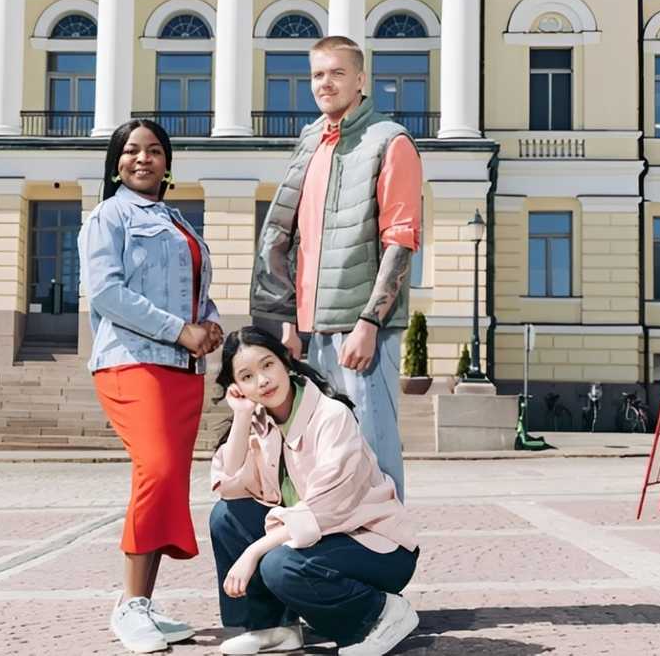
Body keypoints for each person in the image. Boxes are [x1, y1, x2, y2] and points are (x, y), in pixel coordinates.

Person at [250, 35, 422, 501]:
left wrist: (370, 321)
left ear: (362, 79)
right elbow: (288, 235)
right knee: (326, 452)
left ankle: (386, 551)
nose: (326, 83)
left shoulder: (391, 141)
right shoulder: (311, 141)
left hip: (362, 329)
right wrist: (288, 320)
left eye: (337, 73)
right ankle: (336, 554)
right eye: (318, 75)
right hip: (310, 329)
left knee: (372, 448)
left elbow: (401, 240)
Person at [79, 118, 224, 654]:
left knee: (165, 482)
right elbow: (107, 294)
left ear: (168, 162)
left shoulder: (177, 220)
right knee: (157, 469)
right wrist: (179, 330)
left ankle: (141, 602)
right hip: (131, 363)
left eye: (155, 151)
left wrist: (208, 324)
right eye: (132, 151)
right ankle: (130, 605)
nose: (144, 159)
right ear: (116, 162)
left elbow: (196, 290)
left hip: (182, 371)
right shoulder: (107, 217)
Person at [210, 326, 419, 656]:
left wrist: (252, 554)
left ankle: (380, 614)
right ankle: (273, 627)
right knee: (226, 516)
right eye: (247, 376)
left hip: (375, 546)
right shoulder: (259, 423)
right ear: (237, 387)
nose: (262, 381)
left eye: (267, 366)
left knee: (279, 565)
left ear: (286, 362)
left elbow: (326, 507)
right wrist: (241, 417)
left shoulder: (331, 416)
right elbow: (229, 484)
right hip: (321, 540)